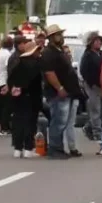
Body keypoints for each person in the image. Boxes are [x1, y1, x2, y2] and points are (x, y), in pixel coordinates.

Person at [41, 24, 82, 158]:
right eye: (58, 35)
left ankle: (59, 148)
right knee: (58, 121)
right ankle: (55, 149)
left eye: (61, 34)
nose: (61, 36)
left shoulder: (59, 51)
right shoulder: (48, 53)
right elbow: (49, 73)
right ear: (51, 38)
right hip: (58, 93)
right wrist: (59, 87)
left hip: (68, 91)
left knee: (63, 122)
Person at [7, 36, 42, 158]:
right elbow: (37, 83)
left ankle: (17, 148)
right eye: (37, 50)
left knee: (18, 122)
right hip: (31, 98)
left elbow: (10, 79)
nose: (39, 53)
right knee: (30, 122)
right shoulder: (36, 65)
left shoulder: (17, 63)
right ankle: (28, 148)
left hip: (17, 97)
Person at [79, 32, 102, 142]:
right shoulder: (87, 55)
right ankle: (97, 133)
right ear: (90, 43)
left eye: (100, 40)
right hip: (92, 86)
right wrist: (92, 84)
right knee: (95, 109)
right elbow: (84, 71)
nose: (99, 42)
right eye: (96, 41)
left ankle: (89, 127)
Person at [0, 35, 14, 136]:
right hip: (5, 82)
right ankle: (4, 128)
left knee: (1, 107)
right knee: (7, 107)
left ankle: (1, 126)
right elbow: (9, 68)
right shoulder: (8, 54)